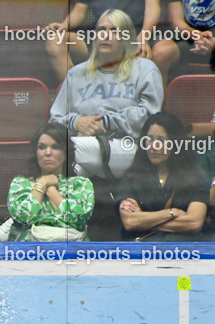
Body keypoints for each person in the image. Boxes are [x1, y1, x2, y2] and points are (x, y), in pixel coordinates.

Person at [49, 9, 163, 182]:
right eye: (101, 30)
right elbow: (55, 120)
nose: (106, 36)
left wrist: (106, 122)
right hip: (84, 146)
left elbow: (151, 116)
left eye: (114, 31)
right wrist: (77, 122)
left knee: (58, 153)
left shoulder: (145, 69)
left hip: (129, 146)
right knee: (67, 174)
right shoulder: (77, 74)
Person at [117, 111, 211, 241]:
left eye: (162, 140)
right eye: (149, 139)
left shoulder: (196, 178)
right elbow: (130, 222)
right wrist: (171, 213)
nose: (154, 146)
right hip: (142, 253)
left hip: (182, 252)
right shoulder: (132, 177)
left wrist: (145, 220)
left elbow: (193, 223)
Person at [6, 123, 95, 242]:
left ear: (65, 152)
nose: (47, 153)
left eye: (55, 147)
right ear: (35, 152)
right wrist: (42, 183)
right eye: (42, 147)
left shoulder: (81, 184)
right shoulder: (21, 183)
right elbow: (24, 217)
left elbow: (76, 218)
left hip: (72, 254)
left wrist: (50, 188)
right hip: (28, 255)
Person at [45, 0, 161, 81]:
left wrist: (142, 38)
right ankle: (76, 93)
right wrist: (63, 26)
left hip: (133, 35)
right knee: (56, 40)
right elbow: (78, 12)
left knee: (145, 55)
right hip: (100, 34)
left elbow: (152, 7)